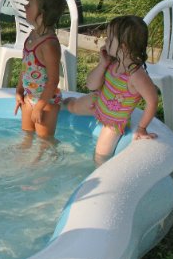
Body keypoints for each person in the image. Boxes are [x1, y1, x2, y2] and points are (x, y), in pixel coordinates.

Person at [65, 15, 159, 166]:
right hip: (98, 102)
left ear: (122, 47)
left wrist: (141, 128)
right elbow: (91, 85)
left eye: (109, 39)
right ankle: (58, 104)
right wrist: (102, 64)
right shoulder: (113, 62)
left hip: (113, 122)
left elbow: (153, 101)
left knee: (100, 156)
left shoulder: (136, 76)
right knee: (73, 106)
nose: (105, 42)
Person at [14, 0, 67, 154]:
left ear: (42, 14)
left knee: (45, 143)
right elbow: (26, 65)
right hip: (30, 97)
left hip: (46, 103)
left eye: (30, 4)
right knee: (27, 137)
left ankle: (46, 169)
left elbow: (53, 80)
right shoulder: (32, 35)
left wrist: (40, 106)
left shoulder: (49, 44)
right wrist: (19, 89)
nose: (25, 7)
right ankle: (25, 165)